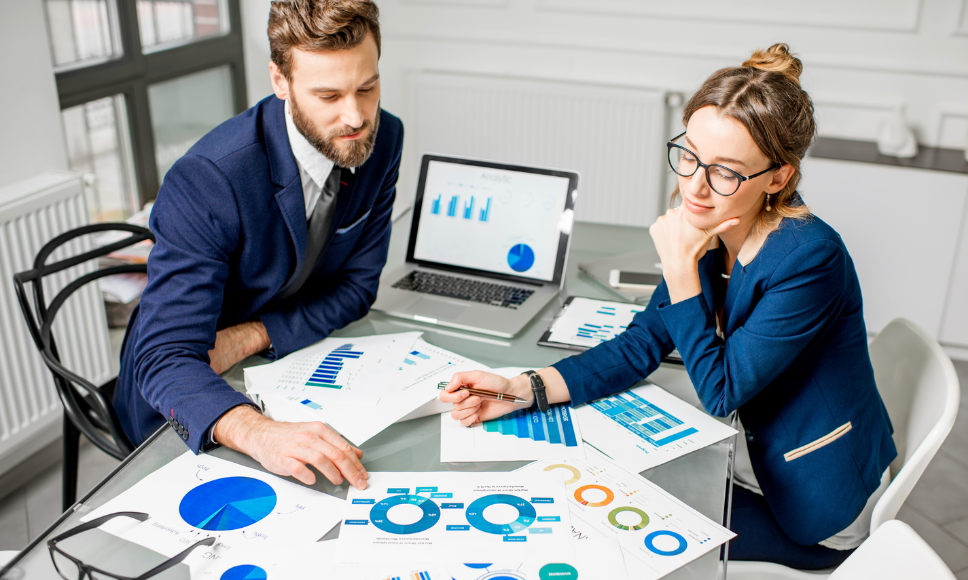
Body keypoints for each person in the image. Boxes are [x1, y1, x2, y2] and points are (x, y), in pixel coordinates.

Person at [440, 44, 897, 569]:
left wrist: (681, 271)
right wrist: (524, 388)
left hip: (814, 502)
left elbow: (721, 391)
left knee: (610, 540)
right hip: (748, 458)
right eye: (690, 156)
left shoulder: (809, 258)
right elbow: (641, 345)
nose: (695, 187)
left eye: (725, 172)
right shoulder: (714, 224)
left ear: (778, 177)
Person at [114, 0, 404, 491]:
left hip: (286, 364)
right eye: (328, 95)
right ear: (280, 81)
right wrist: (257, 431)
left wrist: (252, 336)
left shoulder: (382, 138)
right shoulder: (209, 178)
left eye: (367, 87)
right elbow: (164, 357)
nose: (355, 116)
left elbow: (357, 288)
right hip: (193, 396)